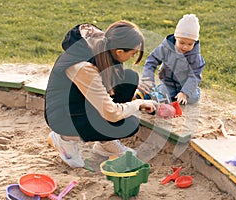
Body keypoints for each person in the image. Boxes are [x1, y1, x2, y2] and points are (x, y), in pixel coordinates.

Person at [44, 20, 156, 168]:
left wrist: (135, 97)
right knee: (128, 124)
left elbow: (107, 88)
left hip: (77, 102)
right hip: (62, 116)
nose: (132, 57)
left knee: (129, 78)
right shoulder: (84, 67)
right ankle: (64, 139)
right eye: (133, 53)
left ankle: (104, 144)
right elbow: (112, 114)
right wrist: (138, 104)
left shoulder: (105, 47)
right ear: (119, 52)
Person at [140, 14, 205, 105]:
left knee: (193, 98)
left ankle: (188, 92)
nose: (185, 47)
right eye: (181, 42)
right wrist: (148, 79)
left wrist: (184, 93)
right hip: (168, 83)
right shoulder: (166, 48)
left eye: (190, 44)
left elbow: (194, 76)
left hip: (185, 84)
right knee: (161, 95)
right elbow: (151, 60)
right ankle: (152, 93)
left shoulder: (195, 57)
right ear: (176, 37)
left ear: (195, 42)